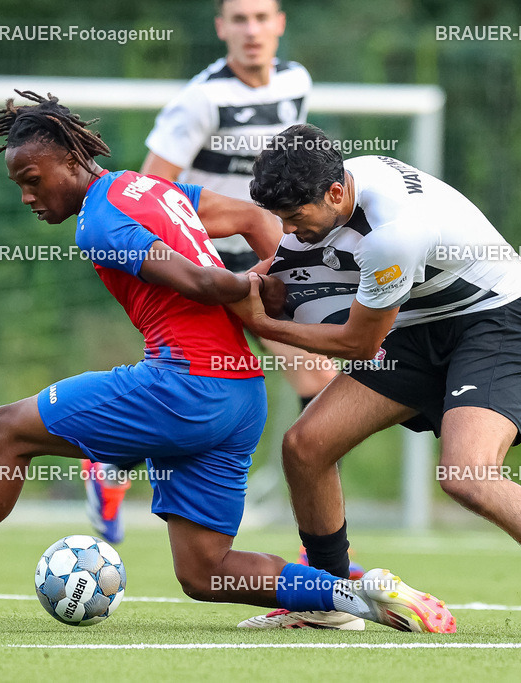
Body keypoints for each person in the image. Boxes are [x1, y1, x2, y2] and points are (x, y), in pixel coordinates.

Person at [0, 92, 455, 635]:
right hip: (239, 399)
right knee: (205, 572)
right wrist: (282, 279)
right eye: (20, 185)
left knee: (7, 430)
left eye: (33, 178)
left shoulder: (101, 221)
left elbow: (199, 280)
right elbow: (249, 217)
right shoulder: (146, 187)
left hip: (183, 386)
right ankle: (358, 593)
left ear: (72, 161)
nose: (29, 195)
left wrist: (259, 288)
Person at [230, 123, 521, 639]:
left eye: (295, 217)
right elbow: (277, 274)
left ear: (335, 193)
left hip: (496, 318)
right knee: (306, 446)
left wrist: (264, 324)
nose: (289, 230)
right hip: (418, 323)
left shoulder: (394, 232)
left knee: (467, 474)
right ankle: (331, 596)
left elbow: (358, 345)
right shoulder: (335, 192)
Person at [82, 0, 341, 547]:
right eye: (240, 19)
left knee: (314, 381)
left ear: (280, 24)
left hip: (266, 259)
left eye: (262, 17)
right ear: (221, 28)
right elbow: (146, 193)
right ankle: (320, 547)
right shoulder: (200, 101)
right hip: (209, 270)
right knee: (218, 387)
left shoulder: (295, 82)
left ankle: (112, 463)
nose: (252, 30)